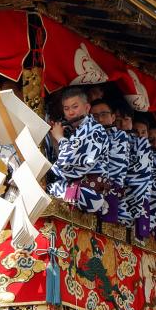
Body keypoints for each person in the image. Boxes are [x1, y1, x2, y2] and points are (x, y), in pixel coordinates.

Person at [48, 86, 110, 214]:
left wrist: (59, 138)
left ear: (87, 108)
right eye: (66, 109)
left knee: (42, 188)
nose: (70, 113)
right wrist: (54, 140)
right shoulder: (75, 131)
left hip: (87, 192)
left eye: (75, 107)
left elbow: (68, 162)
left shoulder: (94, 130)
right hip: (75, 188)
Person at [116, 108, 152, 234]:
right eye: (136, 132)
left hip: (139, 203)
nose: (140, 135)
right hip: (121, 198)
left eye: (144, 132)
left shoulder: (150, 155)